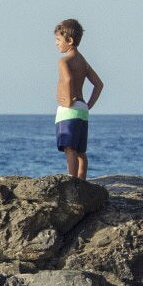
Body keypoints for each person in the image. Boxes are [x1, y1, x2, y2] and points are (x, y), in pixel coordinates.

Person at [53, 19, 104, 180]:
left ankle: (72, 179)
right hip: (81, 107)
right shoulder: (83, 62)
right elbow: (99, 85)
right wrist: (88, 105)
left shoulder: (64, 60)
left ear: (69, 41)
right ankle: (82, 181)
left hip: (70, 109)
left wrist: (67, 101)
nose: (56, 44)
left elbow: (67, 79)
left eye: (58, 40)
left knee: (69, 148)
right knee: (81, 151)